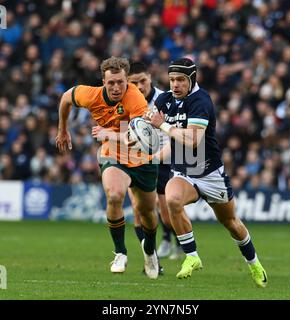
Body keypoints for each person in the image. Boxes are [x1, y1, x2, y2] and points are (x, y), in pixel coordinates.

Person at [149, 57, 268, 287]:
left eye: (181, 80)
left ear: (192, 79)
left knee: (231, 222)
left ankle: (254, 262)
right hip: (183, 171)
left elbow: (193, 140)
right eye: (172, 79)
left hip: (210, 174)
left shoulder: (201, 101)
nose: (175, 84)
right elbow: (153, 129)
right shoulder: (164, 100)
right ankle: (192, 256)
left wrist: (162, 125)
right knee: (172, 199)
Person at [55, 56, 159, 279]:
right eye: (111, 82)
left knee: (148, 212)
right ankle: (120, 252)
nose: (116, 87)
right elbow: (65, 98)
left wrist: (109, 133)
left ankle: (150, 251)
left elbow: (141, 136)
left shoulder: (135, 98)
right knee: (114, 195)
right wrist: (63, 129)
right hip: (113, 154)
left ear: (126, 81)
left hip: (142, 158)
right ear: (103, 81)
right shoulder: (89, 95)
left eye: (120, 82)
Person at [127, 61, 182, 263]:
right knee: (137, 208)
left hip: (164, 159)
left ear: (150, 77)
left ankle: (175, 240)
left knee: (166, 213)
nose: (140, 86)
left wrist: (156, 158)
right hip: (136, 161)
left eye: (142, 80)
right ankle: (152, 260)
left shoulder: (165, 100)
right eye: (134, 83)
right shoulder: (125, 101)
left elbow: (173, 137)